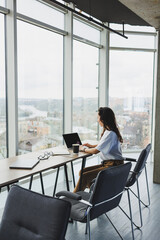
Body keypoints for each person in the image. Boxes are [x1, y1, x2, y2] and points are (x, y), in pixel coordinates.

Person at [73, 107, 124, 193]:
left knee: (84, 176)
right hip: (111, 163)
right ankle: (96, 192)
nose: (97, 120)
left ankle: (73, 199)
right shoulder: (110, 131)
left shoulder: (110, 133)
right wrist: (91, 145)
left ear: (103, 119)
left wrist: (83, 149)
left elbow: (95, 151)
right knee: (82, 172)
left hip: (112, 165)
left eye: (98, 117)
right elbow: (104, 145)